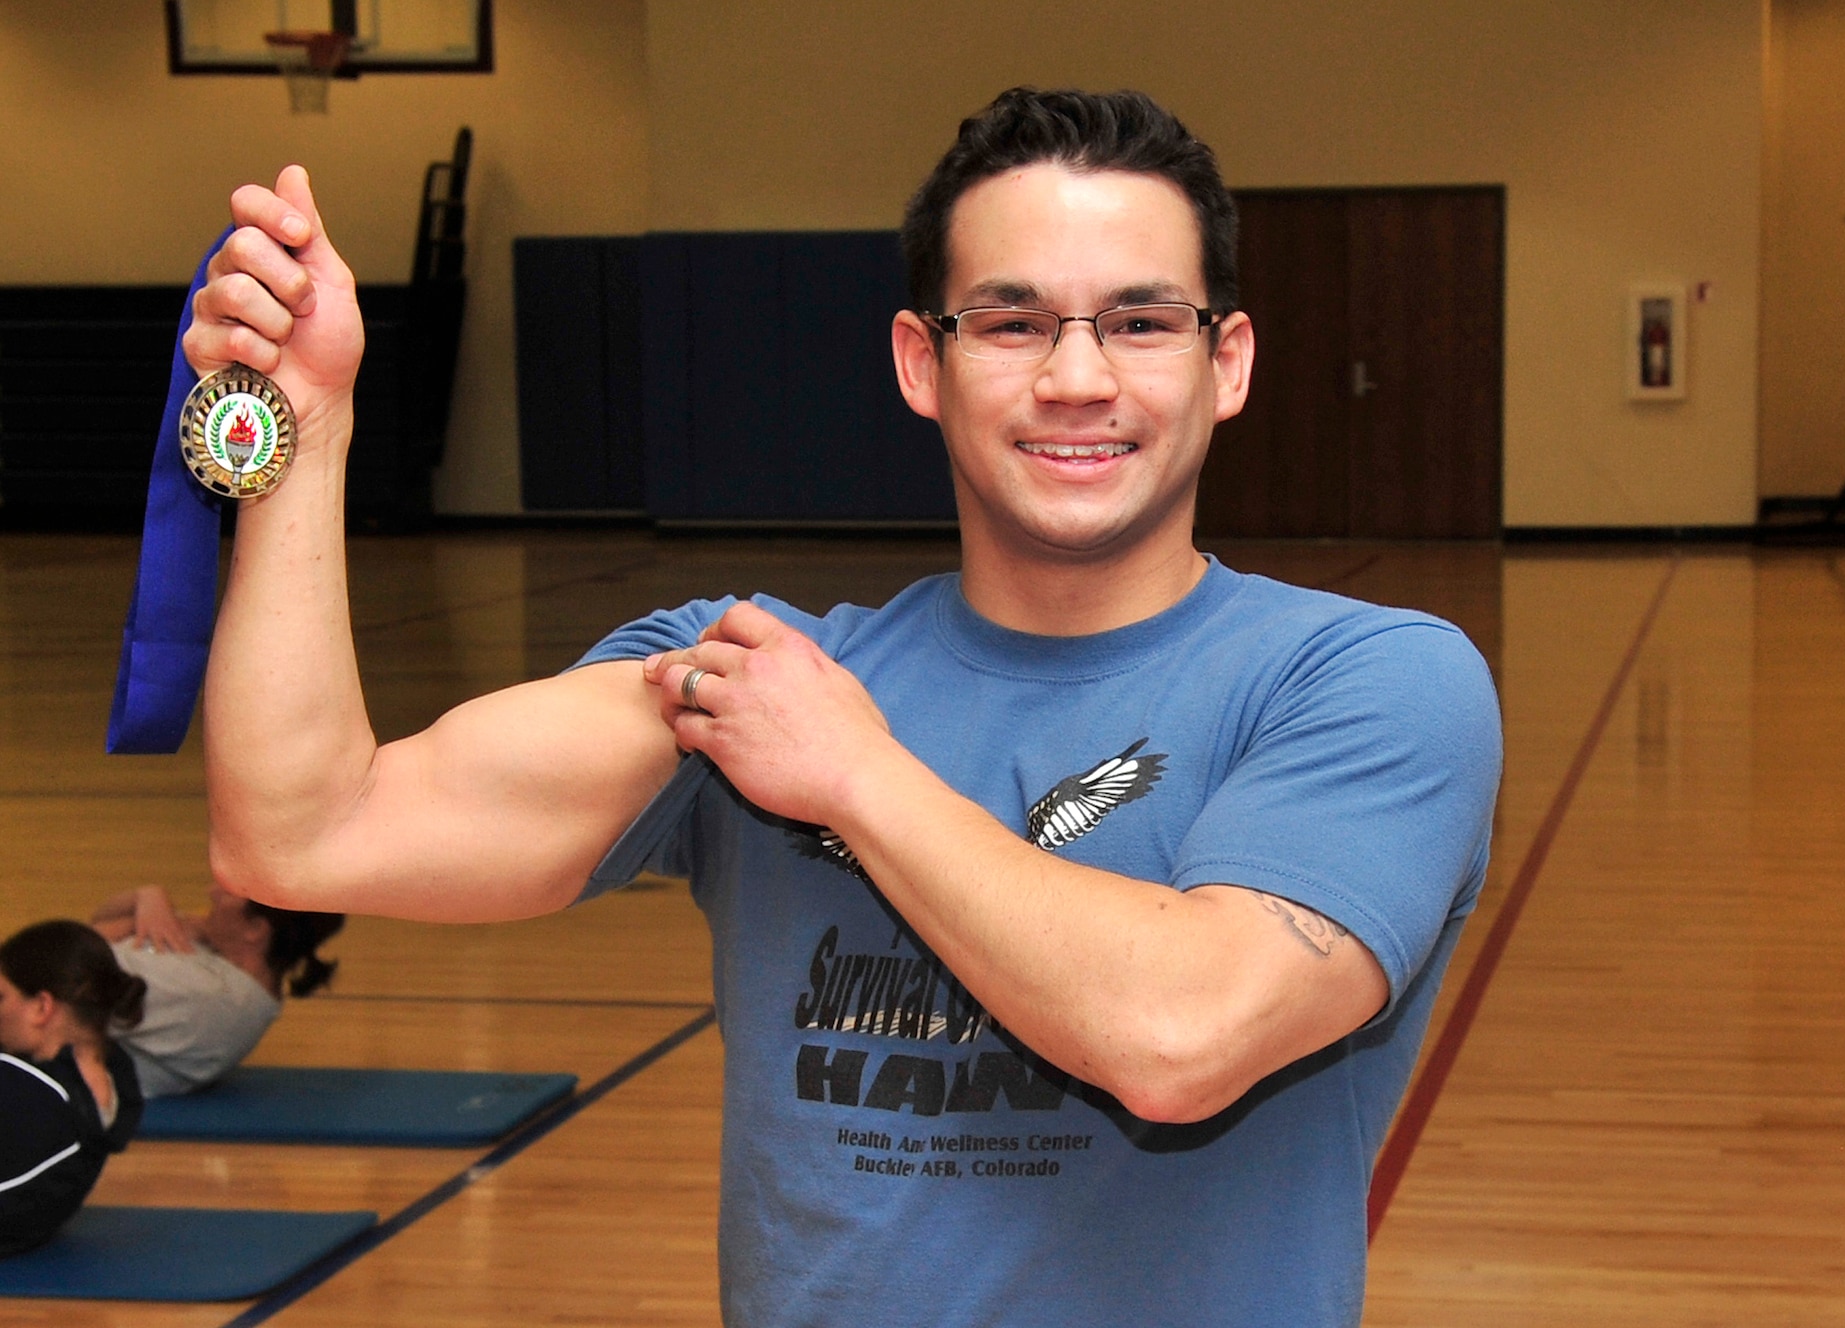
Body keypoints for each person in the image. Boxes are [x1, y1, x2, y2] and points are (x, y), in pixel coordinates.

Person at [188, 88, 1502, 1325]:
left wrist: (853, 776)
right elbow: (305, 835)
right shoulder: (753, 676)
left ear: (1229, 363)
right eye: (1012, 321)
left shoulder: (1371, 680)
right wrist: (307, 425)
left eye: (1142, 322)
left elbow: (1180, 1034)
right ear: (921, 364)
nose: (1078, 378)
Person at [89, 884, 343, 1097]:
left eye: (230, 892)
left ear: (255, 929)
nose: (212, 892)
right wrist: (147, 897)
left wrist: (127, 924)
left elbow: (64, 964)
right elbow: (99, 922)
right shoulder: (220, 961)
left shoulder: (206, 996)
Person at [0, 920, 147, 1257]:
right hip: (33, 1229)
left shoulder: (33, 1092)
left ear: (41, 1007)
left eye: (1, 998)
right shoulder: (114, 1070)